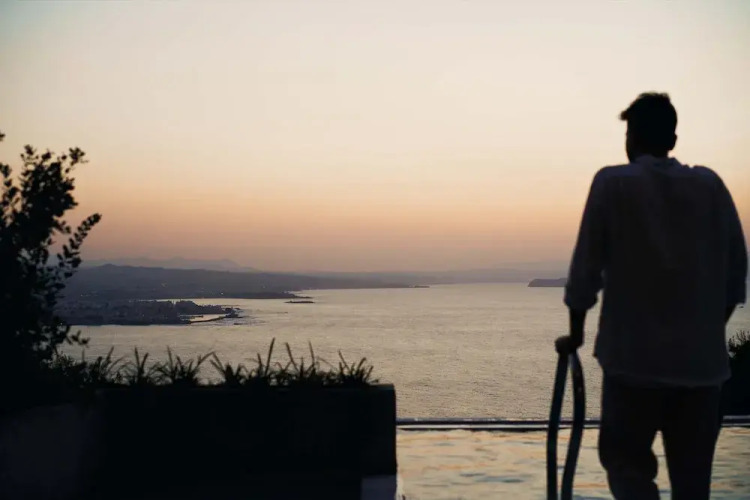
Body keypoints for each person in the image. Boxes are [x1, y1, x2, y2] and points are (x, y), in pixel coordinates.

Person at [556, 92, 747, 500]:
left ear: (631, 139)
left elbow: (585, 268)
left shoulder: (612, 183)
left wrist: (576, 333)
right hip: (700, 372)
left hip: (631, 367)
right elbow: (736, 274)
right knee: (693, 485)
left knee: (628, 473)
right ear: (673, 139)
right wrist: (705, 331)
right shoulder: (711, 186)